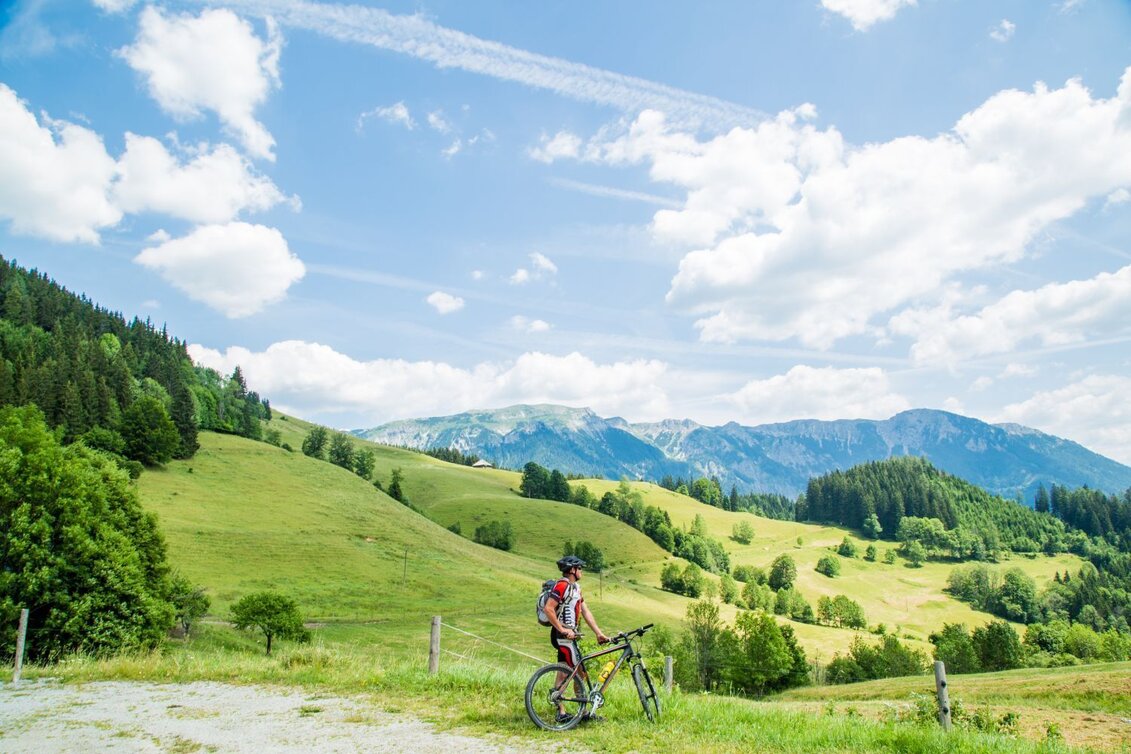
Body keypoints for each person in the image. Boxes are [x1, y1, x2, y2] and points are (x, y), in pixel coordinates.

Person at [544, 555, 610, 722]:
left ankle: (565, 712)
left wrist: (598, 633)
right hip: (563, 637)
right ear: (572, 570)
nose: (581, 571)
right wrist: (563, 629)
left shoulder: (575, 588)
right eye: (579, 568)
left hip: (569, 635)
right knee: (576, 673)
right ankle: (578, 711)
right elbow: (548, 609)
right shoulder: (562, 586)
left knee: (565, 672)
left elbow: (586, 612)